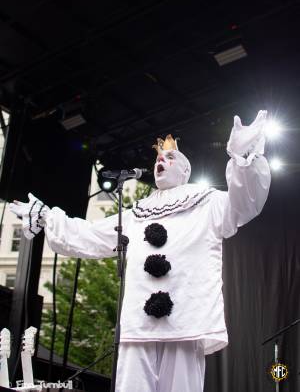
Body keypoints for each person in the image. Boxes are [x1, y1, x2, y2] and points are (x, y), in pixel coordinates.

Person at [10, 110, 271, 392]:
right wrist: (47, 217)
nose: (161, 160)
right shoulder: (135, 215)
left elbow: (245, 204)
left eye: (170, 158)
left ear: (185, 171)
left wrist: (244, 159)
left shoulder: (207, 202)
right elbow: (90, 235)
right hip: (138, 325)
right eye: (159, 158)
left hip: (186, 323)